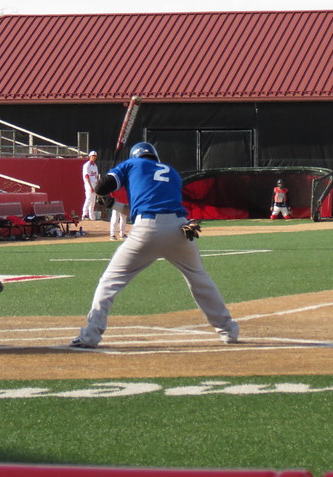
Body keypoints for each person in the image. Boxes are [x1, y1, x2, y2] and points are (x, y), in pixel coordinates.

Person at [70, 142, 239, 349]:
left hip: (146, 230)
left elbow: (103, 187)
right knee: (200, 280)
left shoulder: (131, 164)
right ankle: (228, 330)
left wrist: (103, 190)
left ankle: (91, 335)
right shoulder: (172, 172)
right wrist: (113, 204)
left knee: (109, 282)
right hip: (179, 229)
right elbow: (148, 206)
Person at [81, 150, 100, 220]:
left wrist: (97, 184)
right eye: (92, 156)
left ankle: (91, 216)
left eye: (95, 156)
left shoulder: (95, 165)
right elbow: (87, 176)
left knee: (93, 201)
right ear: (90, 156)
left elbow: (97, 176)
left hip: (94, 183)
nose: (94, 157)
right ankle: (84, 214)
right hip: (88, 183)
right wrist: (91, 187)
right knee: (89, 198)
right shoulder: (86, 165)